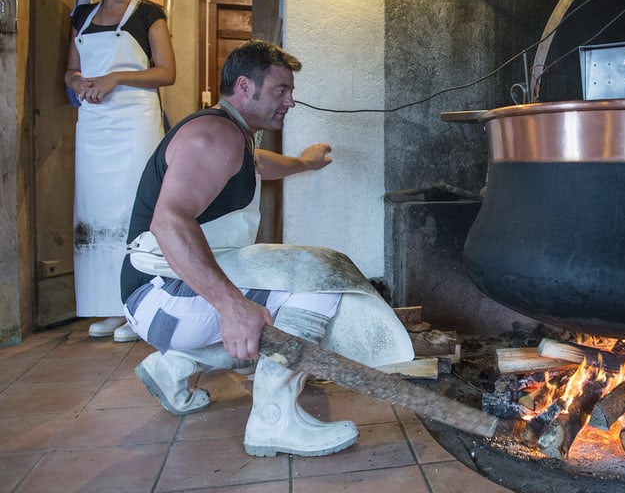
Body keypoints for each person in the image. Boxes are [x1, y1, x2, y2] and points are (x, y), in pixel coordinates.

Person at [120, 40, 413, 458]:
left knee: (277, 309)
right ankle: (274, 420)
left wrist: (304, 164)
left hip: (161, 294)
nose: (291, 101)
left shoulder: (233, 136)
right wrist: (232, 307)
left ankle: (174, 368)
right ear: (244, 87)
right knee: (318, 285)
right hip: (157, 296)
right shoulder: (214, 136)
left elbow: (260, 165)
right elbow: (168, 222)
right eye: (281, 90)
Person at [64, 0, 176, 342]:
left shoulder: (149, 14)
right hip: (93, 128)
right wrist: (76, 82)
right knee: (96, 214)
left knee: (133, 212)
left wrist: (117, 78)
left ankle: (137, 306)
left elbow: (167, 72)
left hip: (134, 125)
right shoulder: (82, 15)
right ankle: (106, 305)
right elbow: (71, 70)